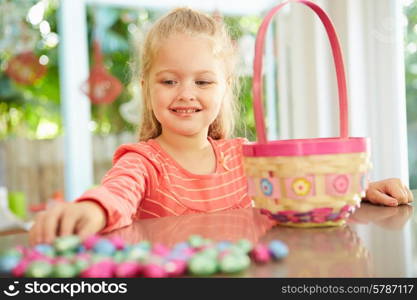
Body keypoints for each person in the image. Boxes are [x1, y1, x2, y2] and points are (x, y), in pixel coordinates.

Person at [29, 7, 413, 246]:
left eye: (203, 81)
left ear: (226, 87)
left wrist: (360, 190)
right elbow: (119, 193)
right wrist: (95, 209)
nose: (185, 94)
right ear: (146, 88)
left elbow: (300, 191)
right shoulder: (143, 161)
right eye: (169, 81)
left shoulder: (243, 157)